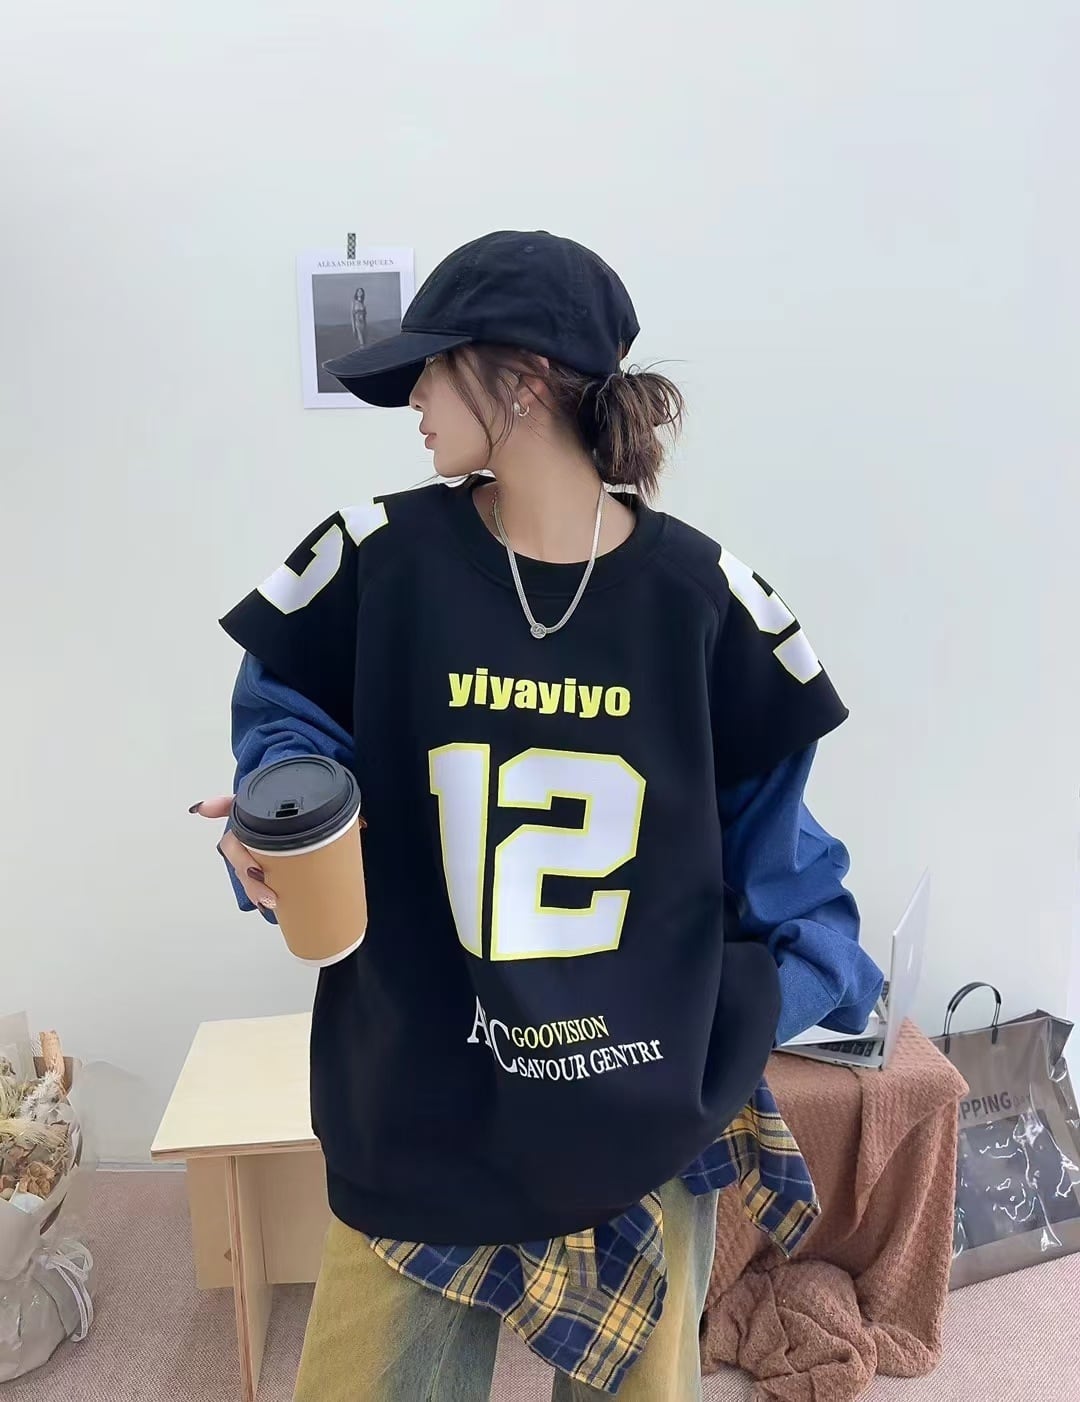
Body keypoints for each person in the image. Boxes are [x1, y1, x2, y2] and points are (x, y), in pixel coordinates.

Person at [192, 231, 883, 1400]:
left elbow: (788, 881)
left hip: (636, 1116)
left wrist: (724, 1028)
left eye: (433, 366)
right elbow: (288, 725)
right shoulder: (375, 563)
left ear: (522, 380)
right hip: (420, 1091)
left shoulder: (710, 607)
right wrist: (282, 816)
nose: (413, 399)